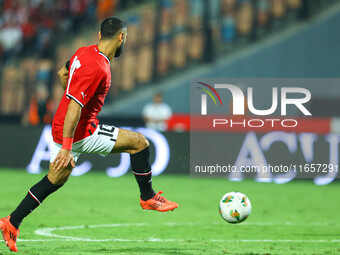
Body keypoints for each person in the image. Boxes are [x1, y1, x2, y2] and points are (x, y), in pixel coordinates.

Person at [0, 17, 178, 253]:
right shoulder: (98, 67)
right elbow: (75, 105)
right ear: (121, 37)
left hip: (62, 124)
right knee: (139, 143)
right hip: (79, 132)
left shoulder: (83, 52)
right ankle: (148, 197)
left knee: (56, 179)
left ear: (99, 34)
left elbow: (62, 73)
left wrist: (72, 101)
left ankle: (11, 222)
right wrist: (67, 146)